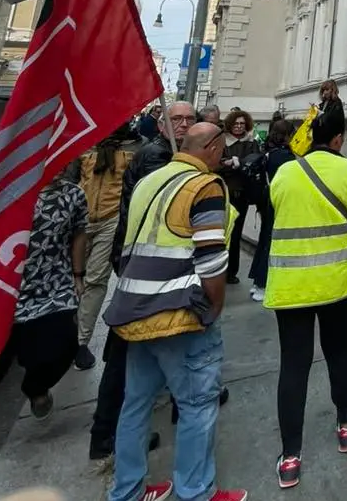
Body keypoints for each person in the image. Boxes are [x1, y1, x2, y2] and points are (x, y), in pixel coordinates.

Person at [103, 122, 246, 501]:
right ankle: (196, 492)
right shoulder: (205, 186)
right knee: (198, 405)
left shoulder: (149, 181)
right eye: (222, 148)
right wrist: (214, 306)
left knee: (135, 405)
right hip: (180, 312)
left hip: (133, 308)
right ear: (213, 148)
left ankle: (127, 490)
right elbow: (212, 257)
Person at [264, 108, 347, 489]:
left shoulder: (284, 172)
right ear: (339, 140)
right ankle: (346, 425)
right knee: (339, 349)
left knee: (293, 365)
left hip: (290, 284)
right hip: (334, 280)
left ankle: (290, 455)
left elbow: (272, 209)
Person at [6, 168, 88, 420]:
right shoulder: (9, 195)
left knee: (66, 343)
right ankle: (36, 388)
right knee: (30, 353)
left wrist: (78, 274)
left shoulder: (73, 194)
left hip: (57, 283)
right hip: (14, 289)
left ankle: (35, 386)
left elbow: (79, 233)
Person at [74, 124, 139, 370]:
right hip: (80, 219)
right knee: (73, 278)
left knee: (95, 280)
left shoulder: (135, 146)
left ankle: (81, 341)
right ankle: (69, 333)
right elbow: (72, 177)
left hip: (111, 219)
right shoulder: (84, 144)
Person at [247, 119, 295, 302]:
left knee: (264, 240)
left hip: (266, 202)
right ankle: (262, 283)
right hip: (277, 203)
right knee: (270, 243)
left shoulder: (269, 152)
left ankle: (257, 281)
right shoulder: (284, 156)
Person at [220, 110, 262, 285]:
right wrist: (229, 164)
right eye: (236, 124)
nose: (238, 127)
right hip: (223, 192)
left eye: (242, 124)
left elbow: (256, 162)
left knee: (236, 234)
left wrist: (241, 163)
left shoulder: (252, 142)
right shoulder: (222, 141)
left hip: (242, 194)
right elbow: (216, 163)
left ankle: (231, 271)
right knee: (221, 233)